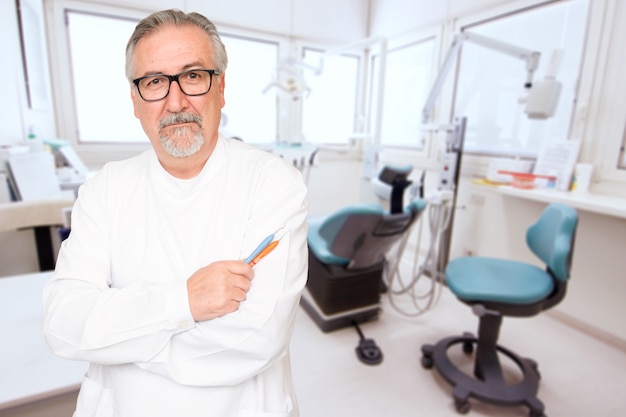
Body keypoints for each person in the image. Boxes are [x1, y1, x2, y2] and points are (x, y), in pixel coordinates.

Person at [43, 9, 308, 417]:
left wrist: (119, 338)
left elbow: (257, 338)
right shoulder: (105, 190)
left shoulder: (273, 184)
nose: (175, 101)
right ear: (135, 100)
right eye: (154, 82)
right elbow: (64, 324)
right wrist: (181, 303)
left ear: (220, 87)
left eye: (193, 76)